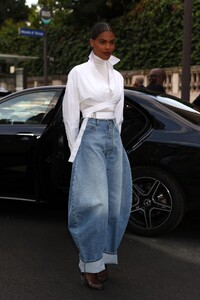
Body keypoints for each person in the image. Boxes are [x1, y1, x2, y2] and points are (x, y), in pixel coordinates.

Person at [62, 22, 132, 290]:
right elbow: (70, 114)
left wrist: (117, 141)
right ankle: (89, 262)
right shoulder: (78, 72)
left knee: (117, 204)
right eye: (103, 42)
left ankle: (103, 258)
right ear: (91, 42)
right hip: (89, 135)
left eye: (112, 42)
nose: (108, 47)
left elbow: (120, 114)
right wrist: (75, 150)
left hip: (113, 137)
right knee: (95, 203)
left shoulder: (118, 76)